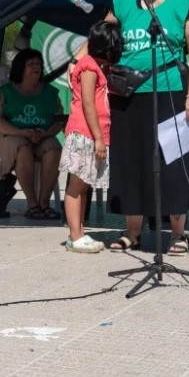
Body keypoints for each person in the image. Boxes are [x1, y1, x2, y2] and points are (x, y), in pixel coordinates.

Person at [104, 0, 189, 255]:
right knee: (131, 164)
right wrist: (77, 58)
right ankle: (132, 232)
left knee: (173, 164)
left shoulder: (184, 3)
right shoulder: (121, 5)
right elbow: (100, 39)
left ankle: (177, 234)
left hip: (172, 93)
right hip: (129, 96)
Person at [60, 22, 122, 253]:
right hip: (84, 134)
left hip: (95, 135)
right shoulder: (87, 67)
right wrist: (98, 138)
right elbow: (88, 103)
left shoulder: (99, 66)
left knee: (83, 186)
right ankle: (74, 236)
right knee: (76, 186)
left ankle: (80, 232)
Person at [0, 49, 65, 220]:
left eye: (38, 64)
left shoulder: (51, 92)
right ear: (20, 68)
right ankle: (32, 204)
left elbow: (59, 120)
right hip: (11, 136)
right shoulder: (5, 92)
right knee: (22, 148)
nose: (36, 67)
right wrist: (21, 132)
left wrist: (46, 133)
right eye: (31, 64)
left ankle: (44, 203)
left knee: (54, 148)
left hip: (43, 136)